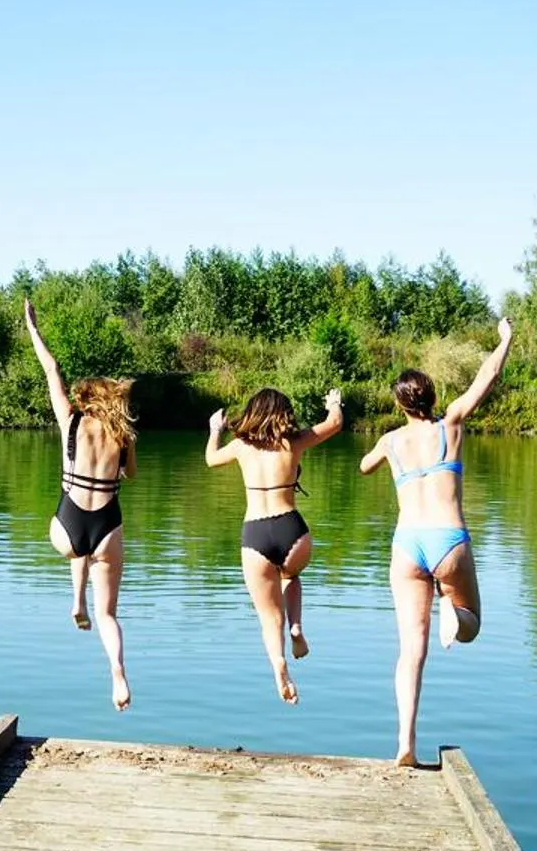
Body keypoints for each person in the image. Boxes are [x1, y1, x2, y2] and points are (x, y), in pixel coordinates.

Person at [358, 317, 513, 765]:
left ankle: (405, 744)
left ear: (400, 403)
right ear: (432, 398)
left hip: (407, 544)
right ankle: (455, 613)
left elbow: (365, 466)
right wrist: (505, 339)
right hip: (449, 538)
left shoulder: (390, 441)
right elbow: (488, 377)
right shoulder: (453, 424)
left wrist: (382, 452)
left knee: (411, 651)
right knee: (472, 626)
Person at [24, 299, 134, 711]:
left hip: (68, 525)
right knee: (109, 615)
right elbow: (132, 475)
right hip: (107, 525)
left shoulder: (70, 420)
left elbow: (51, 369)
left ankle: (75, 601)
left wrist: (34, 328)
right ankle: (118, 674)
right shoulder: (123, 434)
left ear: (85, 399)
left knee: (76, 550)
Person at [204, 387, 345, 705]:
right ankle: (296, 626)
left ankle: (279, 664)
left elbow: (211, 460)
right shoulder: (294, 442)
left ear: (253, 412)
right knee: (291, 576)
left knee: (269, 618)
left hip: (255, 535)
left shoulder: (241, 446)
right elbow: (334, 423)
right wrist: (333, 401)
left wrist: (215, 429)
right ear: (285, 413)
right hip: (292, 529)